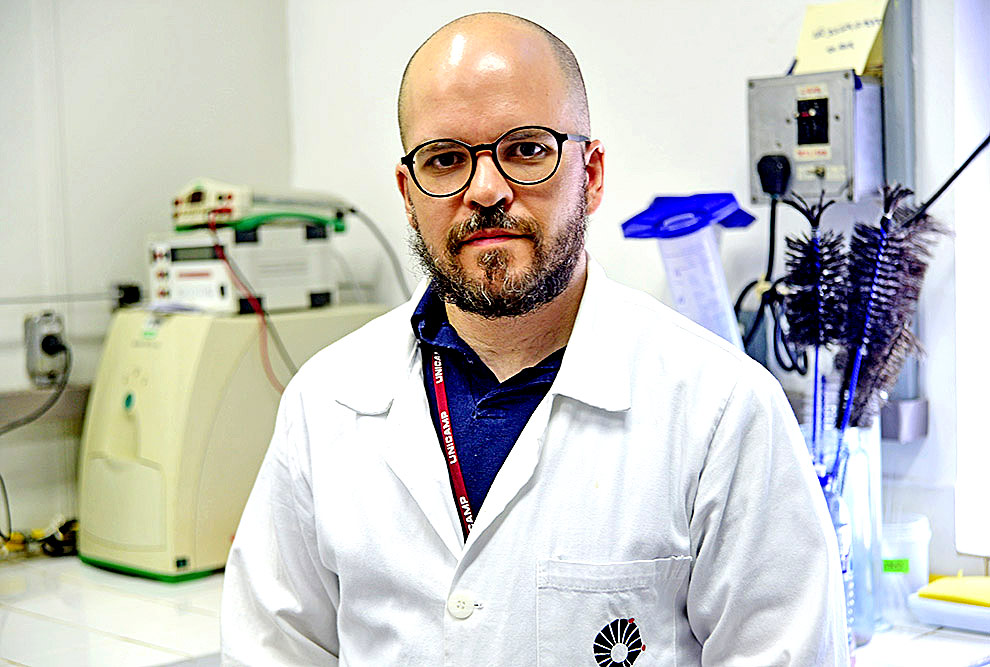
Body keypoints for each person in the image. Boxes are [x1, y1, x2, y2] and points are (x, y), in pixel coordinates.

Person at [221, 12, 849, 666]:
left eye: (526, 149)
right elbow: (272, 650)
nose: (486, 189)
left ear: (593, 173)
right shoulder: (324, 405)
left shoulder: (725, 412)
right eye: (445, 159)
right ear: (409, 196)